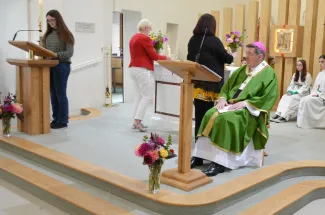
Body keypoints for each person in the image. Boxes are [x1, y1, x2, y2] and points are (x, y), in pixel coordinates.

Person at [191, 42, 278, 176]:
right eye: (246, 53)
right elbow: (227, 87)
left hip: (250, 110)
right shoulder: (242, 69)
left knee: (225, 119)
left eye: (250, 54)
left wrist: (247, 103)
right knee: (210, 113)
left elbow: (268, 97)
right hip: (231, 103)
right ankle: (199, 155)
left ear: (260, 57)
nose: (246, 57)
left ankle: (219, 162)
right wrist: (222, 99)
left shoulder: (268, 73)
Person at [187, 14, 234, 148]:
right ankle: (208, 147)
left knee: (200, 116)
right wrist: (230, 54)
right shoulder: (215, 41)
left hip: (197, 84)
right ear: (212, 26)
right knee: (211, 116)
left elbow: (189, 58)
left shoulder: (193, 40)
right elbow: (227, 59)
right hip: (212, 86)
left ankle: (198, 148)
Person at [129, 19, 169, 132]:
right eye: (150, 28)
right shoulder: (144, 38)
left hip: (133, 68)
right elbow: (153, 55)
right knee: (147, 96)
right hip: (141, 69)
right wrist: (166, 58)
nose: (150, 31)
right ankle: (138, 121)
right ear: (146, 28)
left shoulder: (133, 37)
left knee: (138, 96)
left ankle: (134, 121)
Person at [42, 10, 74, 129]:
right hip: (49, 66)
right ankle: (56, 118)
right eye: (48, 20)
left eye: (53, 20)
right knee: (53, 94)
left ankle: (63, 120)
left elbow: (69, 53)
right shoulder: (47, 36)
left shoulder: (66, 34)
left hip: (62, 66)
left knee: (60, 94)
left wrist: (54, 55)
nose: (50, 22)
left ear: (58, 19)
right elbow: (43, 50)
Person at [297, 55, 325, 129]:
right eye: (319, 62)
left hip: (322, 97)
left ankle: (309, 123)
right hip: (317, 94)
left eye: (322, 62)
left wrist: (319, 95)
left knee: (308, 101)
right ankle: (301, 123)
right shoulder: (320, 74)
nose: (320, 64)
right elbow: (315, 86)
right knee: (303, 99)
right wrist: (313, 94)